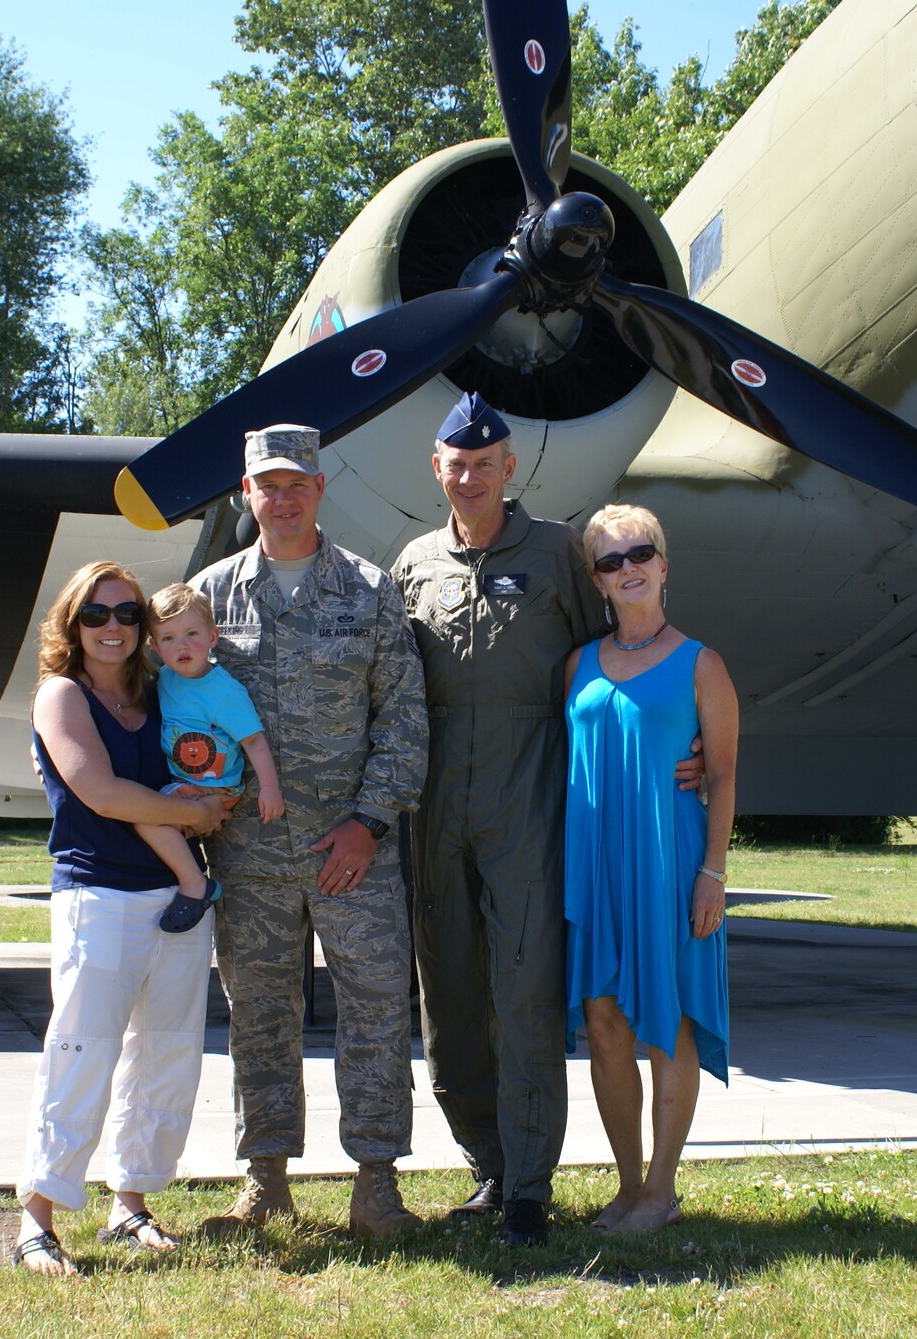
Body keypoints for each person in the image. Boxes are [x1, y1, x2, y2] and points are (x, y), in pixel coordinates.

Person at [189, 423, 431, 1239]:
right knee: (258, 1012)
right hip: (250, 853)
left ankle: (377, 1181)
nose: (282, 496)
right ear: (246, 493)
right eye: (268, 483)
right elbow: (182, 715)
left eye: (297, 482)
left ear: (320, 488)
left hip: (352, 853)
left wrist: (368, 824)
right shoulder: (210, 599)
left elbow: (402, 716)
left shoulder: (368, 589)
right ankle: (266, 1180)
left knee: (375, 1009)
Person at [390, 392, 607, 1245]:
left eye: (487, 462)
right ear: (438, 471)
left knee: (524, 989)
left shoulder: (558, 553)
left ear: (510, 468)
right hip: (437, 796)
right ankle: (485, 1161)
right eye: (457, 463)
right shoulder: (412, 564)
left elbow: (610, 655)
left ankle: (529, 1185)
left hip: (530, 795)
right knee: (446, 989)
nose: (471, 475)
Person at [10, 560, 231, 1275]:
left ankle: (130, 1202)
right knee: (82, 1051)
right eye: (97, 614)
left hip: (177, 899)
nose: (113, 627)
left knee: (166, 1054)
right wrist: (194, 813)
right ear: (72, 624)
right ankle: (37, 1218)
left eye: (127, 614)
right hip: (99, 897)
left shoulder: (159, 692)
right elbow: (101, 792)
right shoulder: (61, 696)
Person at [563, 502, 738, 1236]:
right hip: (595, 860)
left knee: (668, 1021)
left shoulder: (702, 662)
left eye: (640, 553)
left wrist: (713, 873)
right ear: (598, 581)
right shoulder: (577, 663)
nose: (627, 567)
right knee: (604, 1021)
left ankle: (663, 1189)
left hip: (669, 861)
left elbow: (723, 776)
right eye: (609, 561)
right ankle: (627, 1183)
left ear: (664, 565)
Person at [134, 581, 284, 934]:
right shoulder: (166, 680)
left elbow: (255, 742)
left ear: (213, 636)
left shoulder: (224, 691)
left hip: (215, 790)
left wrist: (270, 790)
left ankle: (196, 885)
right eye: (168, 638)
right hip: (186, 783)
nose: (181, 645)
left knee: (146, 816)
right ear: (154, 647)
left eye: (191, 633)